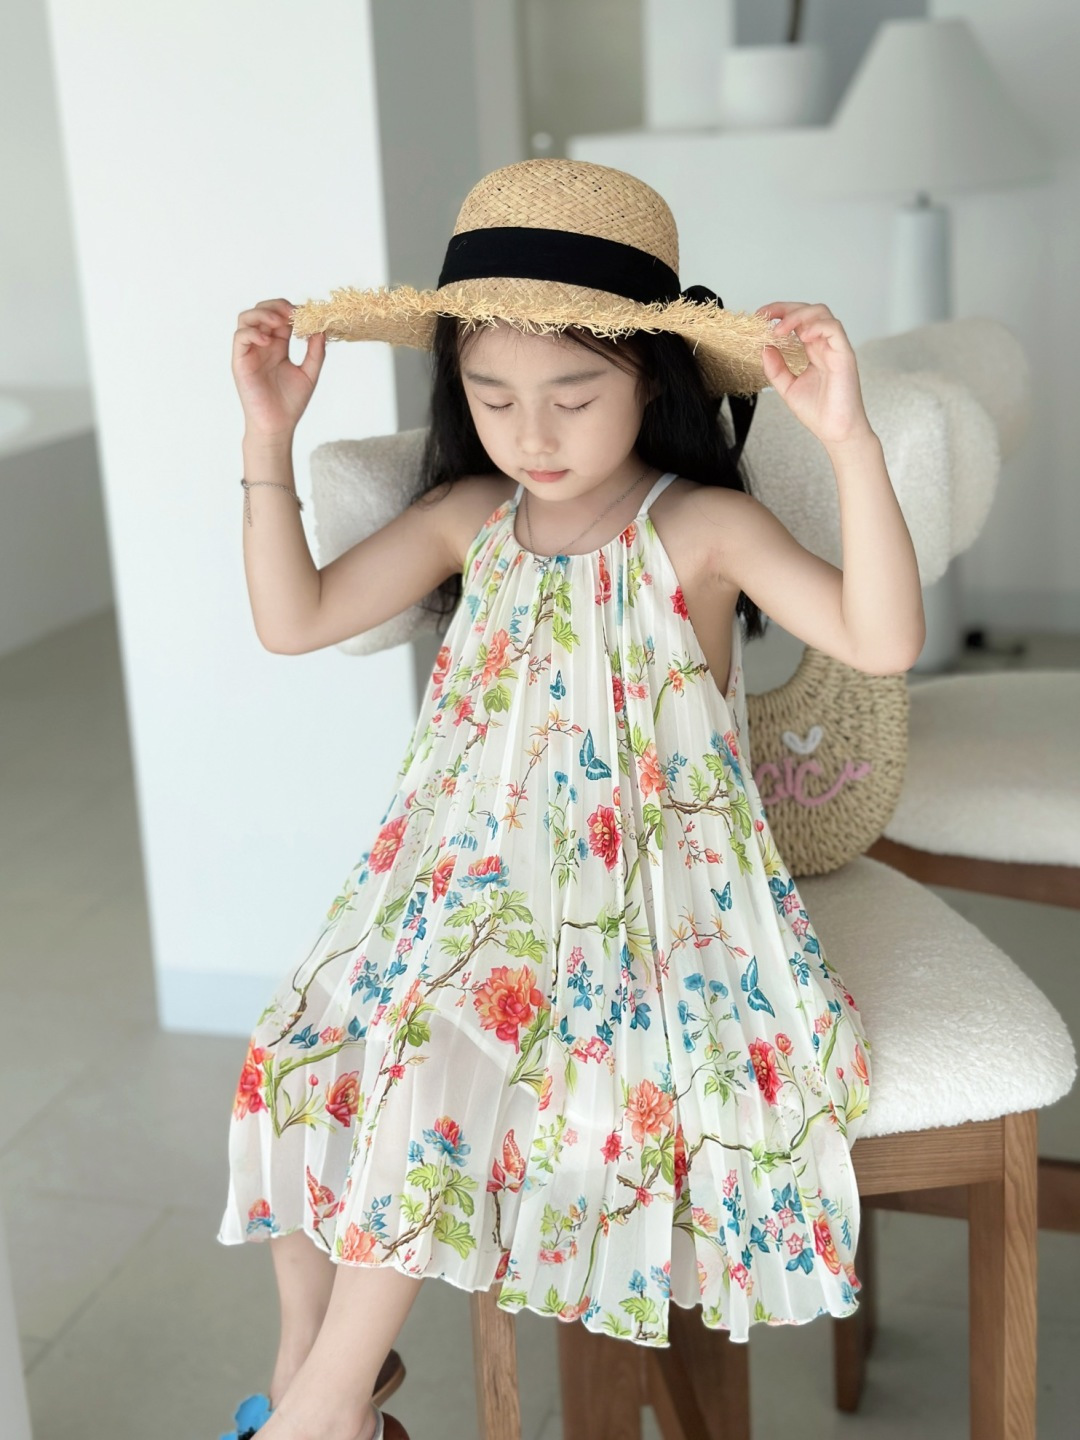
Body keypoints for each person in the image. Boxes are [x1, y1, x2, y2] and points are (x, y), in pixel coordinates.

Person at [219, 158, 925, 1440]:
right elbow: (294, 616)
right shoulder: (469, 518)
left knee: (431, 1061)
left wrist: (849, 441)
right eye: (492, 398)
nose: (530, 436)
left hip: (643, 916)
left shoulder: (698, 529)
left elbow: (881, 637)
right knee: (300, 1042)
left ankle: (317, 1416)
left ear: (651, 379)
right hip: (468, 891)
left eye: (572, 396)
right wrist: (267, 436)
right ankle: (320, 1370)